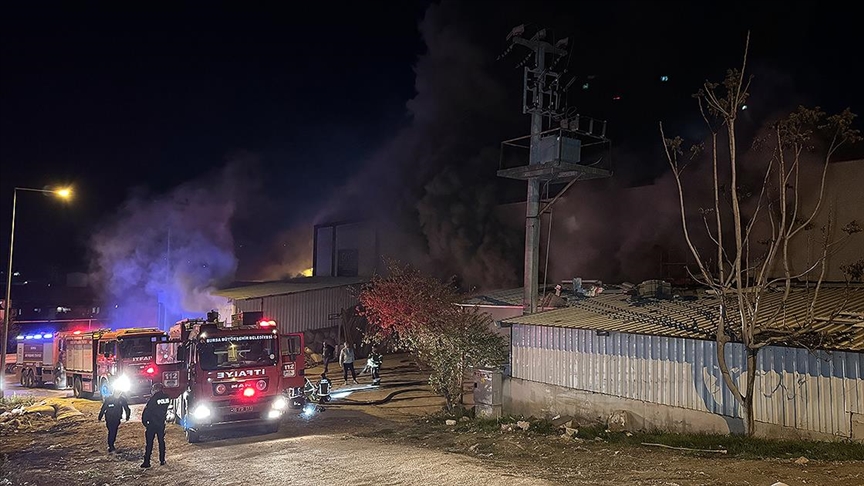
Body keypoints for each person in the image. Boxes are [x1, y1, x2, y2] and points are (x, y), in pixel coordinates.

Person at [141, 383, 171, 468]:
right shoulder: (166, 398)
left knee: (149, 443)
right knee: (161, 442)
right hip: (161, 423)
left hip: (152, 424)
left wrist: (145, 422)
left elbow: (147, 411)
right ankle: (162, 460)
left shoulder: (153, 399)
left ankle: (147, 461)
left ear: (156, 389)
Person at [97, 387, 131, 452]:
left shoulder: (122, 399)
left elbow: (126, 408)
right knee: (111, 431)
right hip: (109, 418)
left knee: (114, 431)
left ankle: (111, 444)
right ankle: (111, 445)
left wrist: (127, 416)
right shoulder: (109, 399)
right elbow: (103, 408)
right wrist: (100, 417)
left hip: (116, 418)